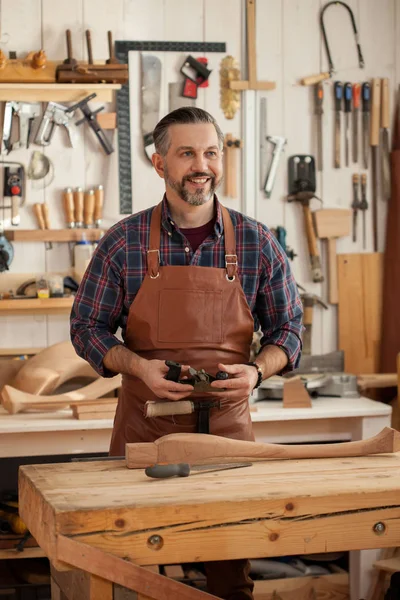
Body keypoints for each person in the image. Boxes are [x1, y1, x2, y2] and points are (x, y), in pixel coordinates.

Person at [70, 107, 303, 600]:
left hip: (228, 439)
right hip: (145, 429)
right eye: (187, 153)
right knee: (131, 570)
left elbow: (290, 331)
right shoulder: (123, 242)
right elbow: (86, 328)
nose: (203, 165)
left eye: (211, 152)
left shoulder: (259, 243)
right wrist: (137, 366)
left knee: (229, 577)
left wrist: (257, 373)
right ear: (160, 165)